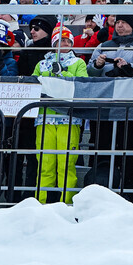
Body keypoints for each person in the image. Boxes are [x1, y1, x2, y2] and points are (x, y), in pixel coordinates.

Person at [31, 24, 89, 203]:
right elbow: (33, 84)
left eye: (66, 40)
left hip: (69, 119)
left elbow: (83, 84)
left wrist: (63, 73)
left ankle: (67, 203)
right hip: (45, 117)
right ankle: (41, 203)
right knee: (45, 163)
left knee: (66, 164)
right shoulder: (41, 63)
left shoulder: (78, 62)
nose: (63, 43)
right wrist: (49, 73)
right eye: (59, 40)